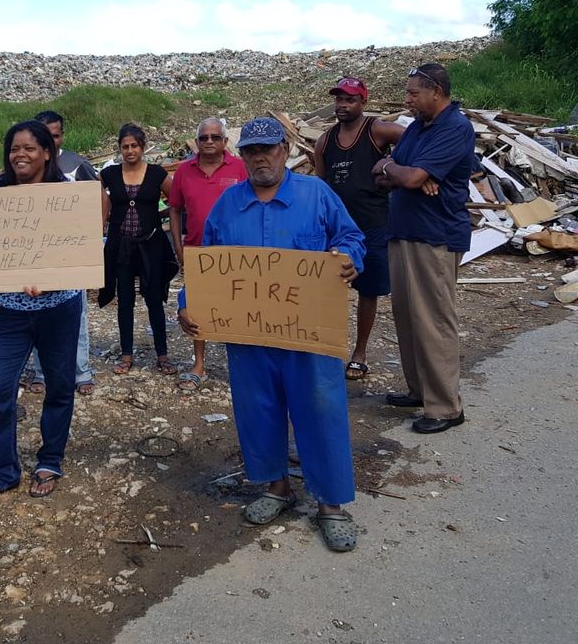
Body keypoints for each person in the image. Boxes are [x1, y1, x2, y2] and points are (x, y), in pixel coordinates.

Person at [178, 117, 365, 552]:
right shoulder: (228, 205)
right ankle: (275, 487)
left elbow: (351, 237)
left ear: (284, 149)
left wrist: (351, 258)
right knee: (257, 409)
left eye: (268, 148)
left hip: (307, 337)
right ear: (241, 156)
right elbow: (208, 264)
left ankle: (331, 504)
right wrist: (188, 301)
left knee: (321, 410)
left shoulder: (316, 194)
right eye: (251, 151)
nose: (260, 157)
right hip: (249, 337)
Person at [0, 119, 82, 502]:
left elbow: (84, 247)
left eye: (29, 148)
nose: (20, 155)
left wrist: (54, 277)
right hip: (9, 310)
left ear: (47, 152)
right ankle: (4, 470)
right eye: (14, 148)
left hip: (59, 307)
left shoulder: (66, 194)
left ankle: (50, 460)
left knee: (60, 384)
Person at [372, 64, 473, 434]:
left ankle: (446, 407)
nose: (408, 99)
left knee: (433, 320)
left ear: (435, 91)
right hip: (403, 231)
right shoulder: (416, 128)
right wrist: (393, 167)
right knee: (408, 317)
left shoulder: (455, 128)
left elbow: (410, 176)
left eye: (414, 92)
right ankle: (420, 391)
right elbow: (384, 174)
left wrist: (407, 175)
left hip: (436, 236)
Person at [314, 77, 404, 381]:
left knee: (368, 290)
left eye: (350, 100)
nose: (342, 105)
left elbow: (409, 138)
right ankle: (327, 346)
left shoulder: (376, 129)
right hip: (338, 230)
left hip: (374, 224)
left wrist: (392, 163)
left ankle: (360, 353)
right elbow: (320, 187)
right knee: (329, 288)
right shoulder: (325, 141)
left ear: (362, 102)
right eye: (339, 99)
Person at [20, 109, 97, 396]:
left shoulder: (76, 166)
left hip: (70, 257)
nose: (50, 141)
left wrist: (91, 240)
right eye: (43, 136)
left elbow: (99, 198)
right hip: (34, 258)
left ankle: (81, 372)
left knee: (75, 316)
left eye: (54, 135)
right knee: (37, 315)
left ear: (61, 135)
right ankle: (40, 373)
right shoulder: (22, 171)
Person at [168, 117, 247, 391]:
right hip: (197, 251)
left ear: (225, 141)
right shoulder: (184, 171)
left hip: (235, 252)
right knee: (196, 306)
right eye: (204, 138)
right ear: (197, 141)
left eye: (215, 137)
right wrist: (178, 246)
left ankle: (240, 363)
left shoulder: (239, 168)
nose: (209, 142)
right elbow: (175, 209)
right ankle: (199, 364)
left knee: (237, 304)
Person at [98, 123, 179, 375]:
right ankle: (126, 355)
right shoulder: (109, 174)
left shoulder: (156, 174)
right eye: (125, 146)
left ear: (142, 147)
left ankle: (163, 355)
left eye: (134, 146)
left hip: (151, 244)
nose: (130, 150)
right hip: (121, 247)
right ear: (120, 148)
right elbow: (92, 196)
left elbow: (176, 201)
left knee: (154, 299)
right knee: (125, 300)